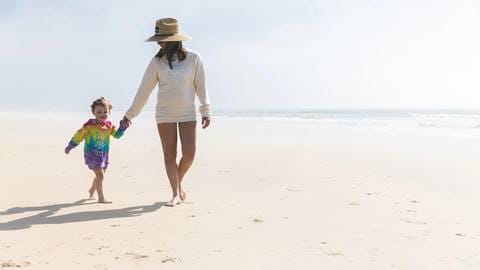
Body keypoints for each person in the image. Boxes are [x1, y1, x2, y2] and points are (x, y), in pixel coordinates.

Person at [122, 18, 212, 207]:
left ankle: (178, 184)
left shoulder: (194, 59)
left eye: (162, 40)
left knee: (189, 155)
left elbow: (201, 87)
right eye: (158, 40)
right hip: (165, 115)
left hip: (187, 113)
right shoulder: (157, 62)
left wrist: (206, 110)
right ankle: (175, 193)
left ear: (174, 40)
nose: (159, 43)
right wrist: (129, 116)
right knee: (169, 155)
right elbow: (143, 91)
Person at [65, 97, 128, 203]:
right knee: (100, 175)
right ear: (93, 112)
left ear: (109, 112)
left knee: (100, 175)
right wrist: (71, 145)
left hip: (103, 155)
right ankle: (101, 198)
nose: (102, 114)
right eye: (99, 112)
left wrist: (123, 127)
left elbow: (117, 136)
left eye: (105, 112)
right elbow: (78, 136)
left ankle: (91, 190)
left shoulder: (109, 126)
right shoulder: (89, 126)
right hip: (91, 154)